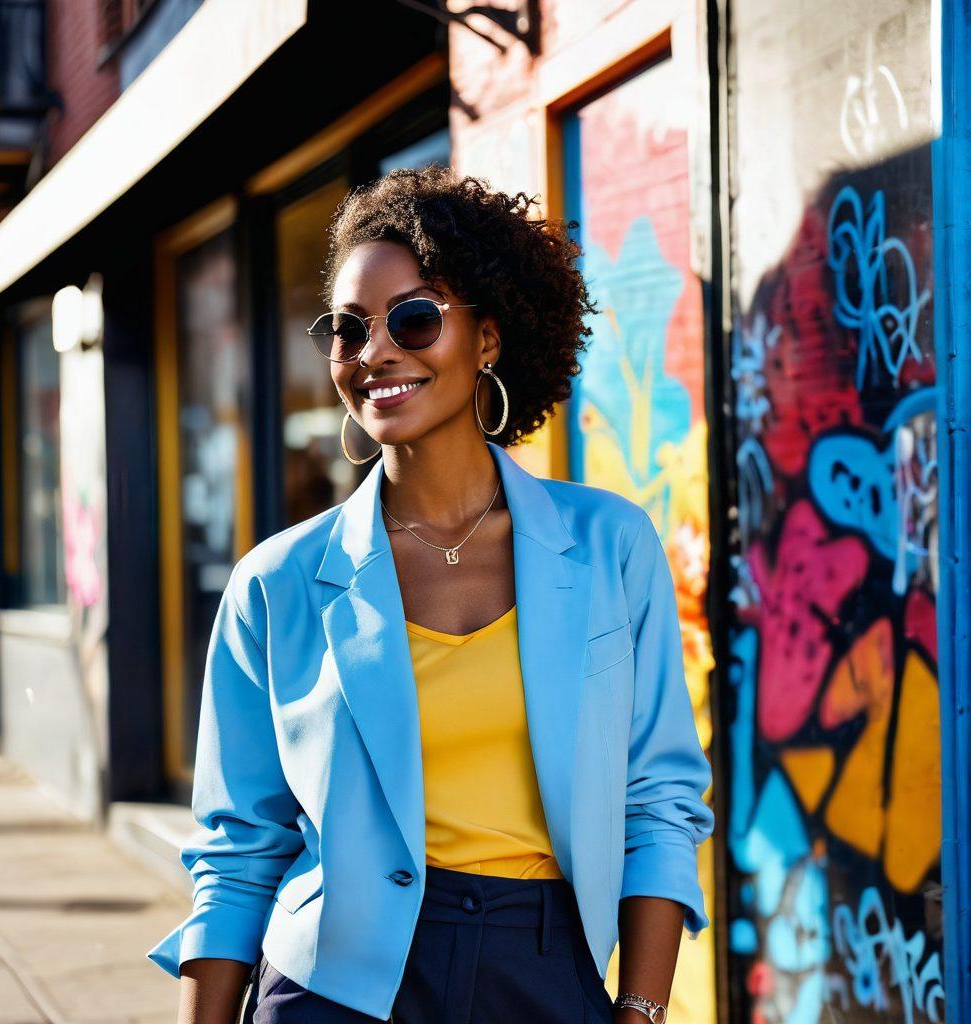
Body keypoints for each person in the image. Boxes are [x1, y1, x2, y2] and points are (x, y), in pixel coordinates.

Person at [147, 165, 714, 1024]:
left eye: (413, 318)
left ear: (488, 336)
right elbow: (240, 849)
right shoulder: (277, 584)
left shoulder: (609, 547)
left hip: (543, 973)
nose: (375, 352)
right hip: (331, 989)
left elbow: (658, 800)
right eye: (348, 330)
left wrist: (639, 1006)